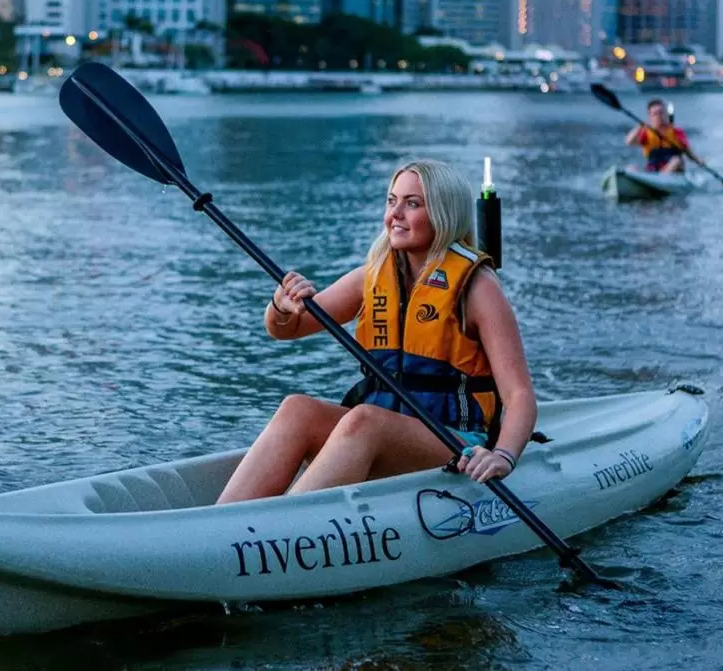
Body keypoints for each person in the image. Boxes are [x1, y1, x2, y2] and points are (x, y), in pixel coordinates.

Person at [216, 159, 537, 504]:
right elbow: (287, 329)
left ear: (444, 214)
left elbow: (519, 395)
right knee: (298, 410)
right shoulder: (371, 278)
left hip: (455, 440)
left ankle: (279, 529)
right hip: (384, 429)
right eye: (391, 200)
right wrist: (281, 305)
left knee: (366, 420)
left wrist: (502, 456)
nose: (396, 213)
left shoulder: (477, 287)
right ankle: (223, 521)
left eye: (412, 203)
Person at [625, 98, 704, 174]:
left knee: (677, 160)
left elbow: (688, 152)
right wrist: (639, 126)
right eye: (655, 114)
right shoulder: (646, 133)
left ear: (666, 114)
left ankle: (660, 178)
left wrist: (699, 161)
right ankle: (655, 179)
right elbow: (629, 142)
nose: (659, 116)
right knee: (630, 168)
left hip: (674, 171)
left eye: (661, 113)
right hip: (653, 170)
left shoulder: (676, 132)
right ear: (650, 116)